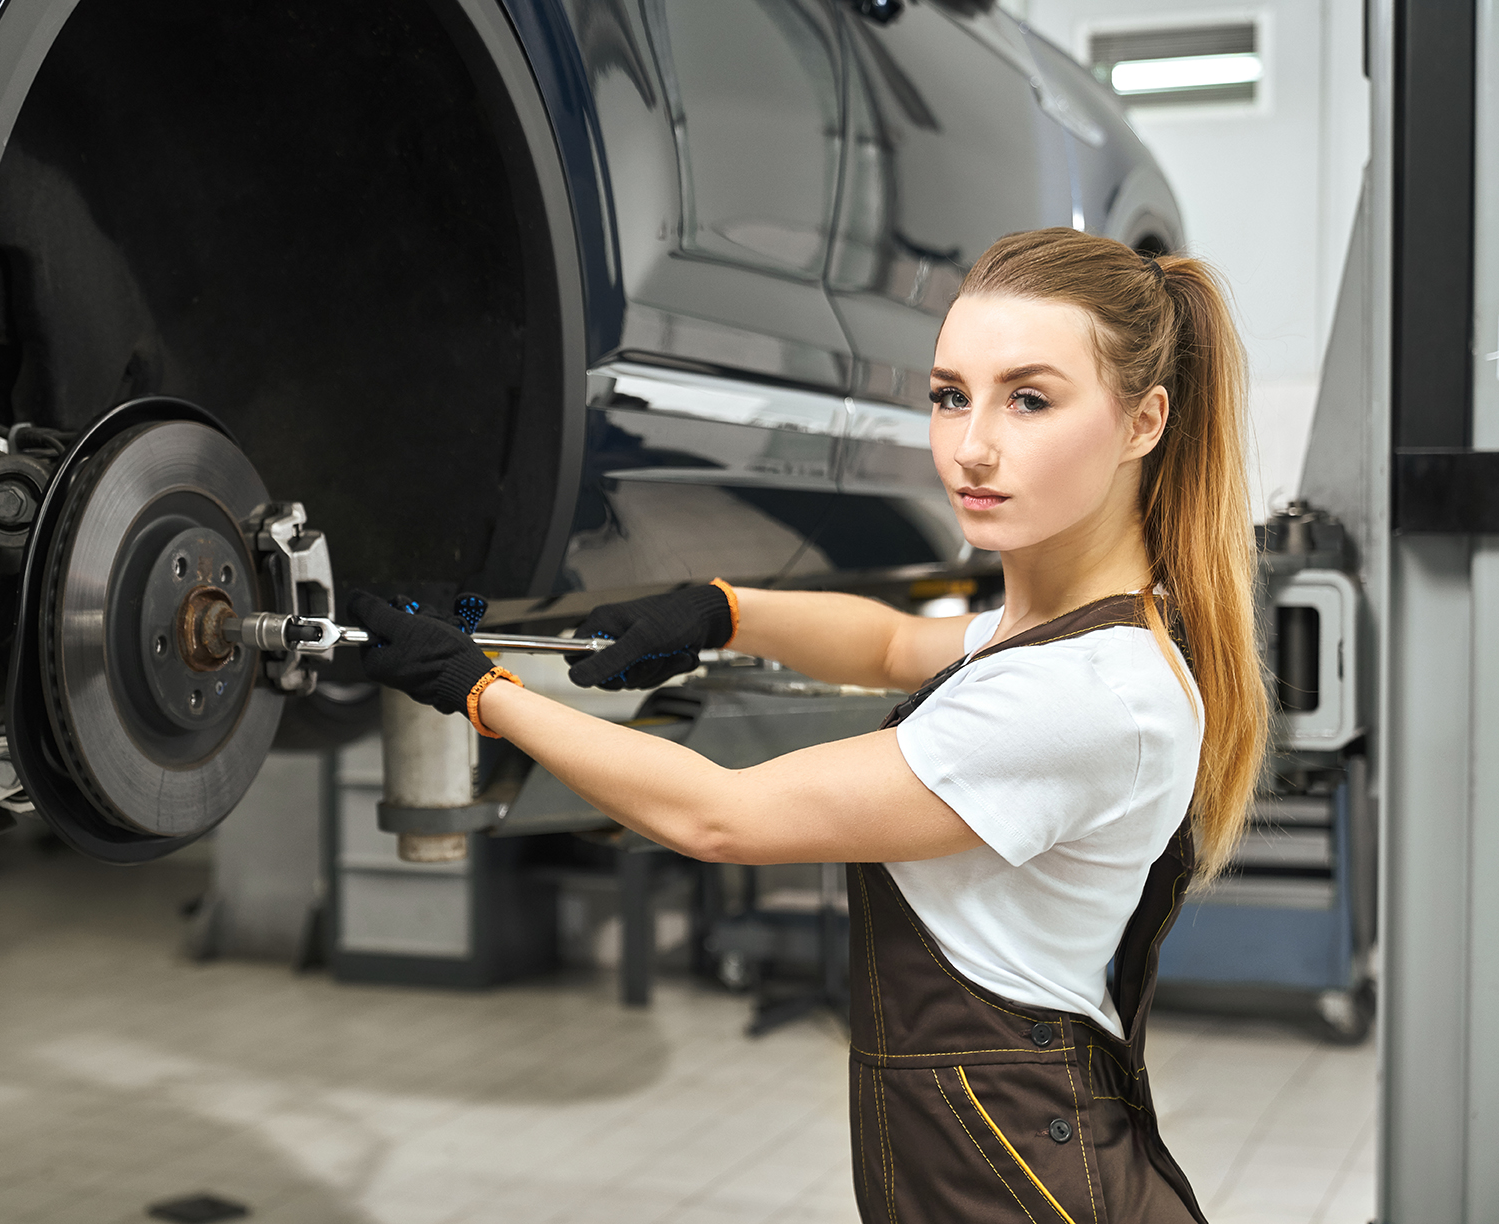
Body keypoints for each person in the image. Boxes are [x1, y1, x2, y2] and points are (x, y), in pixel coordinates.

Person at [347, 227, 1266, 1224]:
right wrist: (719, 609)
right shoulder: (1070, 635)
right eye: (949, 396)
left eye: (1029, 400)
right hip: (1007, 1145)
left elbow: (722, 818)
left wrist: (482, 691)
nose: (972, 446)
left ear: (1143, 422)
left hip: (1019, 1179)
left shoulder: (1080, 693)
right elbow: (891, 644)